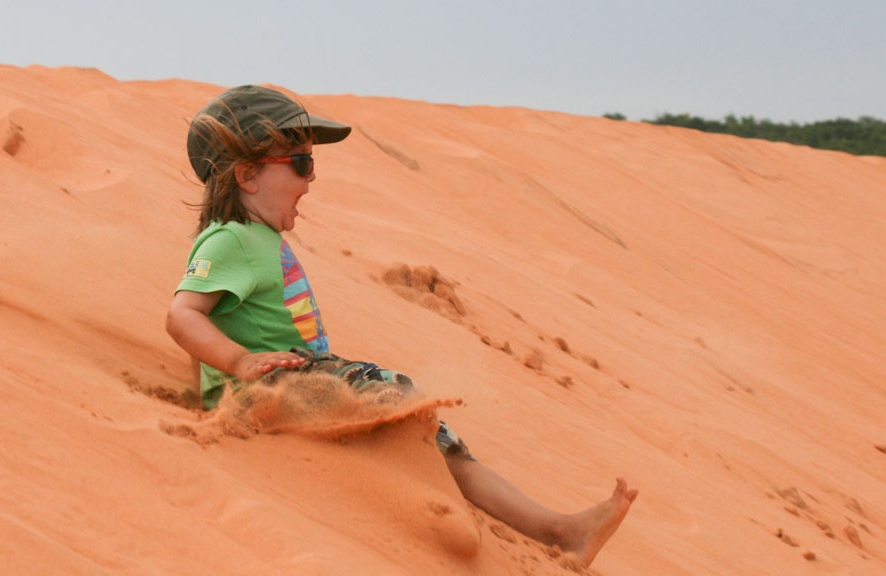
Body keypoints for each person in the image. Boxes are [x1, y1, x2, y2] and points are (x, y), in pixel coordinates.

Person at [165, 85, 637, 566]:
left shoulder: (257, 240)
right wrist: (237, 364)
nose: (311, 179)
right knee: (401, 396)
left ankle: (556, 529)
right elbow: (183, 315)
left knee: (432, 430)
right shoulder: (229, 241)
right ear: (247, 174)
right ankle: (503, 523)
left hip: (299, 380)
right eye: (301, 164)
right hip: (275, 387)